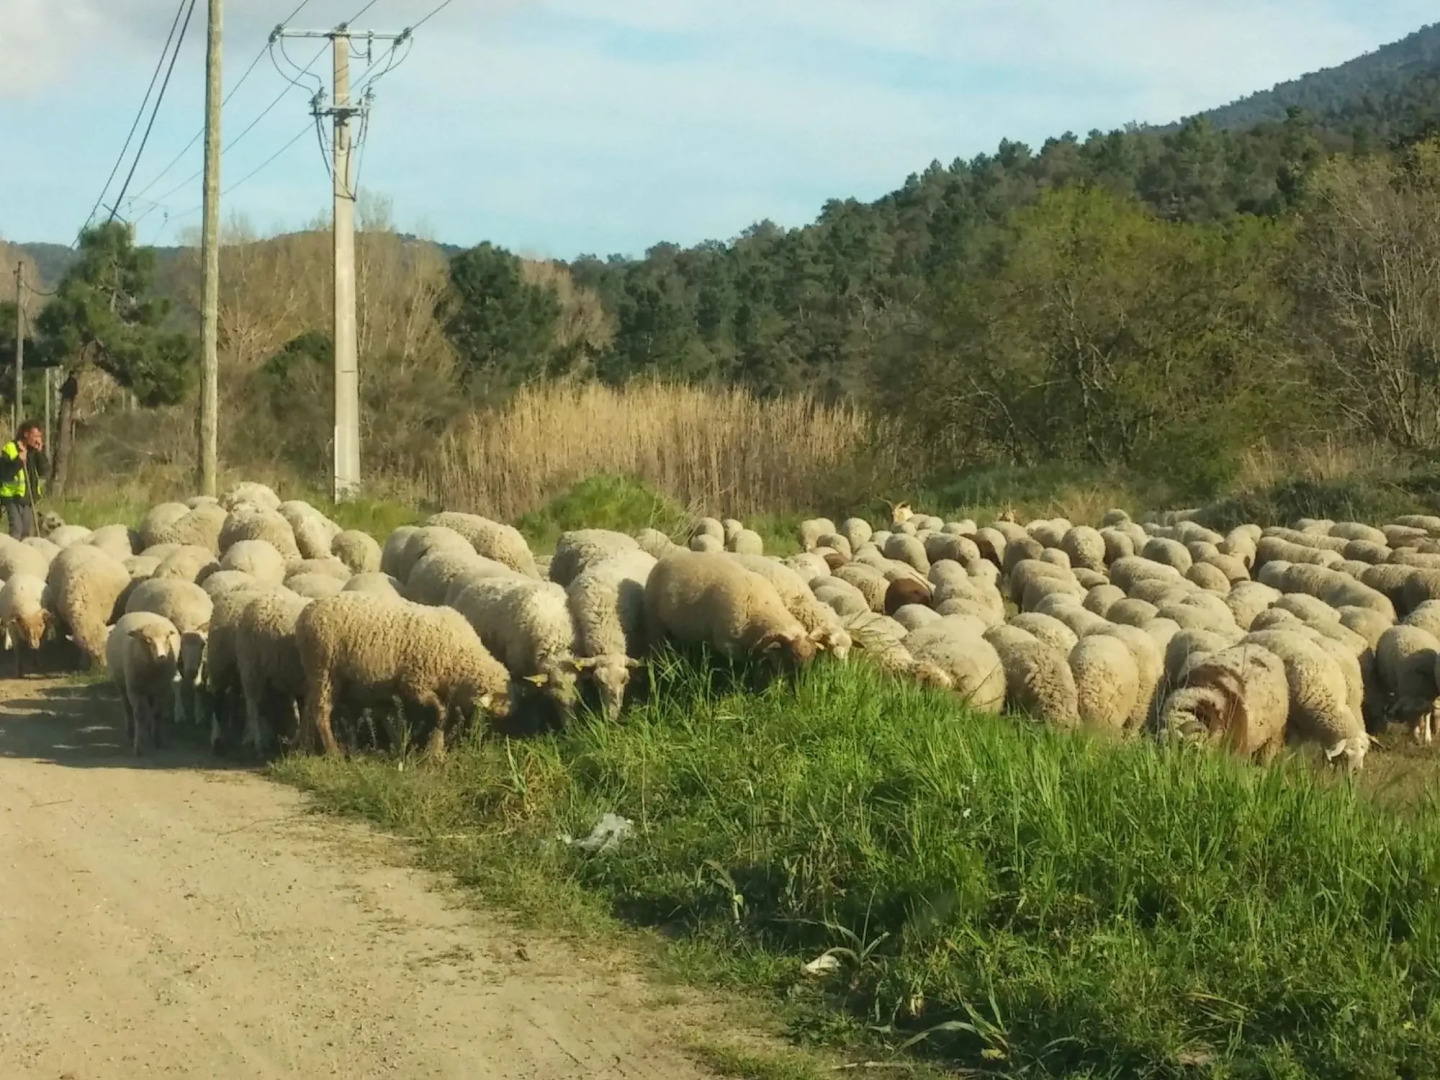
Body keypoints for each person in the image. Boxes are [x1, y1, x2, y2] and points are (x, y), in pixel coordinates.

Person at [0, 421, 45, 539]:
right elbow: (4, 472)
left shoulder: (34, 451)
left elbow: (44, 471)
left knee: (26, 532)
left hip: (28, 497)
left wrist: (40, 453)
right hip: (12, 497)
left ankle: (24, 556)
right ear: (26, 434)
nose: (38, 440)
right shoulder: (9, 448)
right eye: (35, 436)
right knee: (16, 529)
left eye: (40, 436)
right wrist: (19, 460)